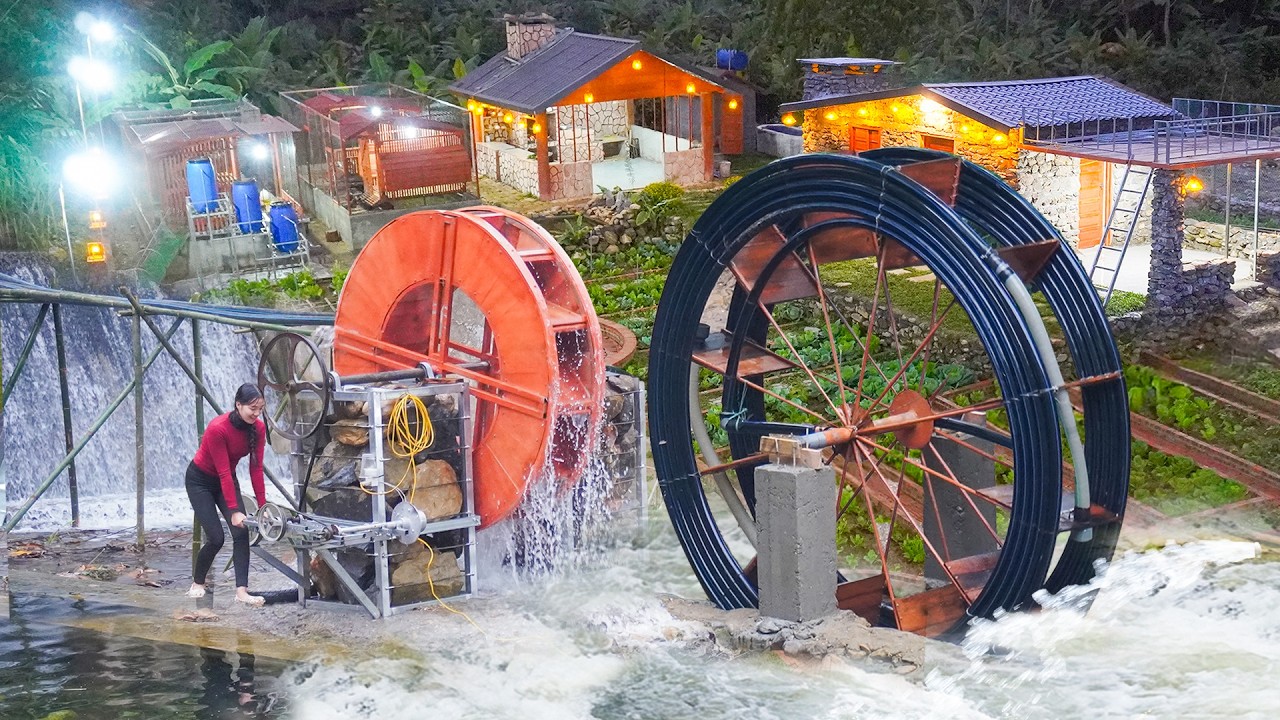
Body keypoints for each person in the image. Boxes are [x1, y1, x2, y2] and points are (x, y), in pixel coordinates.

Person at [186, 383, 268, 607]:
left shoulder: (258, 429)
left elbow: (256, 469)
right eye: (252, 408)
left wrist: (263, 508)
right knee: (216, 538)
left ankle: (241, 591)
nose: (256, 413)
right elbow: (222, 471)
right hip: (200, 481)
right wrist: (234, 511)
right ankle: (198, 583)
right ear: (238, 405)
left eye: (260, 408)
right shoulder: (217, 428)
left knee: (241, 534)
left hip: (226, 481)